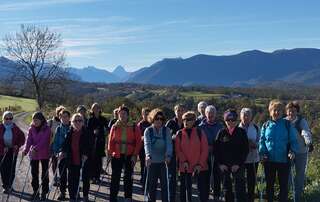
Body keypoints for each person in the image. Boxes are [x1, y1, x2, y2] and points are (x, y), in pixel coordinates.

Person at [259, 100, 299, 202]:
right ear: (270, 111)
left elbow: (293, 140)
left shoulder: (287, 124)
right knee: (269, 186)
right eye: (274, 110)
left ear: (282, 112)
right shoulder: (266, 125)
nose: (276, 112)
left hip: (284, 160)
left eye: (279, 111)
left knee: (283, 187)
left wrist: (292, 151)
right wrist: (262, 153)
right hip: (269, 160)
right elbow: (262, 141)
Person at [107, 105, 142, 202]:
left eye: (124, 114)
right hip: (117, 154)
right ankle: (113, 198)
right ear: (118, 115)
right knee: (115, 177)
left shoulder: (134, 126)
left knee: (128, 178)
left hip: (129, 155)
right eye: (120, 114)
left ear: (128, 115)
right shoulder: (114, 126)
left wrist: (135, 155)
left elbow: (138, 142)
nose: (122, 115)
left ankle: (128, 197)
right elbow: (110, 141)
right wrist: (109, 153)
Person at [214, 109, 249, 202]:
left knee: (240, 190)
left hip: (238, 166)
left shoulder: (241, 132)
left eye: (232, 120)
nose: (230, 122)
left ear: (236, 120)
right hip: (224, 167)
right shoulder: (221, 133)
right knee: (227, 190)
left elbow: (245, 150)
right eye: (227, 120)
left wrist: (238, 164)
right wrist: (220, 164)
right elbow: (216, 151)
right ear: (224, 121)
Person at [175, 111, 209, 202]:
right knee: (185, 192)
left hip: (200, 168)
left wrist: (199, 164)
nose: (186, 121)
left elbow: (205, 150)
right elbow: (178, 150)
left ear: (194, 121)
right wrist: (184, 161)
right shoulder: (179, 134)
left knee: (202, 192)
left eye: (189, 119)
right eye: (184, 119)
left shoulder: (200, 132)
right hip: (185, 167)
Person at [61, 113, 93, 202]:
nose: (78, 122)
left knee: (85, 179)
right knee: (71, 180)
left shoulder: (87, 132)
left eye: (80, 120)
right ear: (72, 122)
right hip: (72, 160)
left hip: (84, 160)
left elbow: (91, 146)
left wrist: (86, 154)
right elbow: (65, 145)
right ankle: (72, 197)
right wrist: (62, 152)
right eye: (75, 120)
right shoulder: (70, 132)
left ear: (83, 122)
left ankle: (85, 196)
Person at [285, 101, 312, 202]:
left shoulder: (301, 121)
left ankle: (297, 198)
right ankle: (285, 196)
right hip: (288, 152)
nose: (291, 113)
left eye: (294, 111)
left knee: (299, 175)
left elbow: (305, 132)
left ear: (297, 112)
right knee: (287, 175)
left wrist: (308, 142)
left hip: (301, 152)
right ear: (286, 112)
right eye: (289, 111)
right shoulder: (284, 122)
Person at [144, 108, 172, 202]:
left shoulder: (166, 130)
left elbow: (169, 144)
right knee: (152, 187)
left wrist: (168, 155)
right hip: (152, 162)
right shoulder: (148, 131)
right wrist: (148, 155)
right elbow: (147, 144)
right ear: (152, 119)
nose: (159, 121)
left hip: (164, 163)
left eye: (161, 119)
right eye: (157, 118)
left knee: (165, 186)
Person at [23, 112, 51, 201]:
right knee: (34, 173)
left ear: (41, 120)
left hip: (44, 153)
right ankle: (35, 191)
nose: (35, 122)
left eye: (37, 120)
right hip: (34, 154)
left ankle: (44, 192)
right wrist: (26, 150)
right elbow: (29, 140)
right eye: (33, 120)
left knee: (45, 174)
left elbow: (44, 141)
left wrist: (35, 149)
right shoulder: (31, 128)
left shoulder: (47, 129)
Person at [199, 105, 223, 200]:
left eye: (212, 113)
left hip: (217, 156)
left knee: (217, 177)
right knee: (205, 177)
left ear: (215, 114)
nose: (210, 115)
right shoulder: (200, 127)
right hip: (204, 157)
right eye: (208, 113)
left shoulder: (220, 126)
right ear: (205, 114)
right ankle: (205, 196)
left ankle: (216, 196)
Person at [0, 111, 25, 193]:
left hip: (13, 151)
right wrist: (3, 147)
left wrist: (17, 145)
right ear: (3, 119)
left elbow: (22, 138)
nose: (9, 120)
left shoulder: (15, 128)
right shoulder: (0, 127)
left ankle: (10, 186)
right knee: (3, 169)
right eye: (6, 118)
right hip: (2, 151)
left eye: (10, 118)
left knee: (11, 169)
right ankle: (5, 185)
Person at [238, 108, 260, 202]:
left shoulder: (256, 127)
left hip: (253, 158)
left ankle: (251, 198)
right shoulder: (236, 128)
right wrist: (246, 144)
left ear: (251, 117)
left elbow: (261, 141)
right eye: (244, 115)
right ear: (240, 117)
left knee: (251, 180)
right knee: (241, 180)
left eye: (248, 115)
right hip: (241, 159)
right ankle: (241, 198)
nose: (246, 117)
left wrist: (255, 145)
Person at [165, 104, 186, 202]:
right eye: (178, 110)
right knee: (172, 178)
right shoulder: (170, 123)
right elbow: (165, 136)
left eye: (182, 110)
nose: (180, 112)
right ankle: (171, 199)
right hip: (172, 153)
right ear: (175, 111)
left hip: (184, 154)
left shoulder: (187, 122)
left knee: (183, 179)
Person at [51, 109, 71, 200]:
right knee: (62, 175)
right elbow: (55, 142)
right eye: (62, 117)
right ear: (60, 117)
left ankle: (73, 192)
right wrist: (56, 152)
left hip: (71, 155)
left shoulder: (73, 127)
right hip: (61, 155)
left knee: (72, 175)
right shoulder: (58, 128)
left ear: (69, 117)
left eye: (66, 116)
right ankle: (62, 193)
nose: (64, 118)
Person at [87, 103, 109, 184]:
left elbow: (107, 128)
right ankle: (92, 177)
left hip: (101, 142)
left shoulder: (103, 119)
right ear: (92, 110)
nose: (96, 109)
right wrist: (93, 132)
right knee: (92, 160)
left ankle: (97, 177)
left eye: (97, 108)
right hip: (92, 143)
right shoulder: (90, 119)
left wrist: (106, 131)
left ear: (100, 109)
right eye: (94, 108)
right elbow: (88, 131)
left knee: (99, 160)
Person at [48, 105, 65, 186]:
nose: (61, 115)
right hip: (53, 145)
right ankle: (55, 179)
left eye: (63, 113)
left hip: (62, 147)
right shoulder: (51, 122)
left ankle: (62, 179)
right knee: (54, 163)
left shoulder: (66, 122)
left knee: (62, 164)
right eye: (60, 113)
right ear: (57, 113)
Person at [137, 107, 151, 184]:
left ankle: (149, 178)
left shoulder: (152, 123)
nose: (147, 116)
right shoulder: (140, 124)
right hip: (142, 147)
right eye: (145, 114)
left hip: (151, 148)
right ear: (142, 115)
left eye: (148, 114)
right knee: (143, 164)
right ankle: (143, 178)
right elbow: (137, 136)